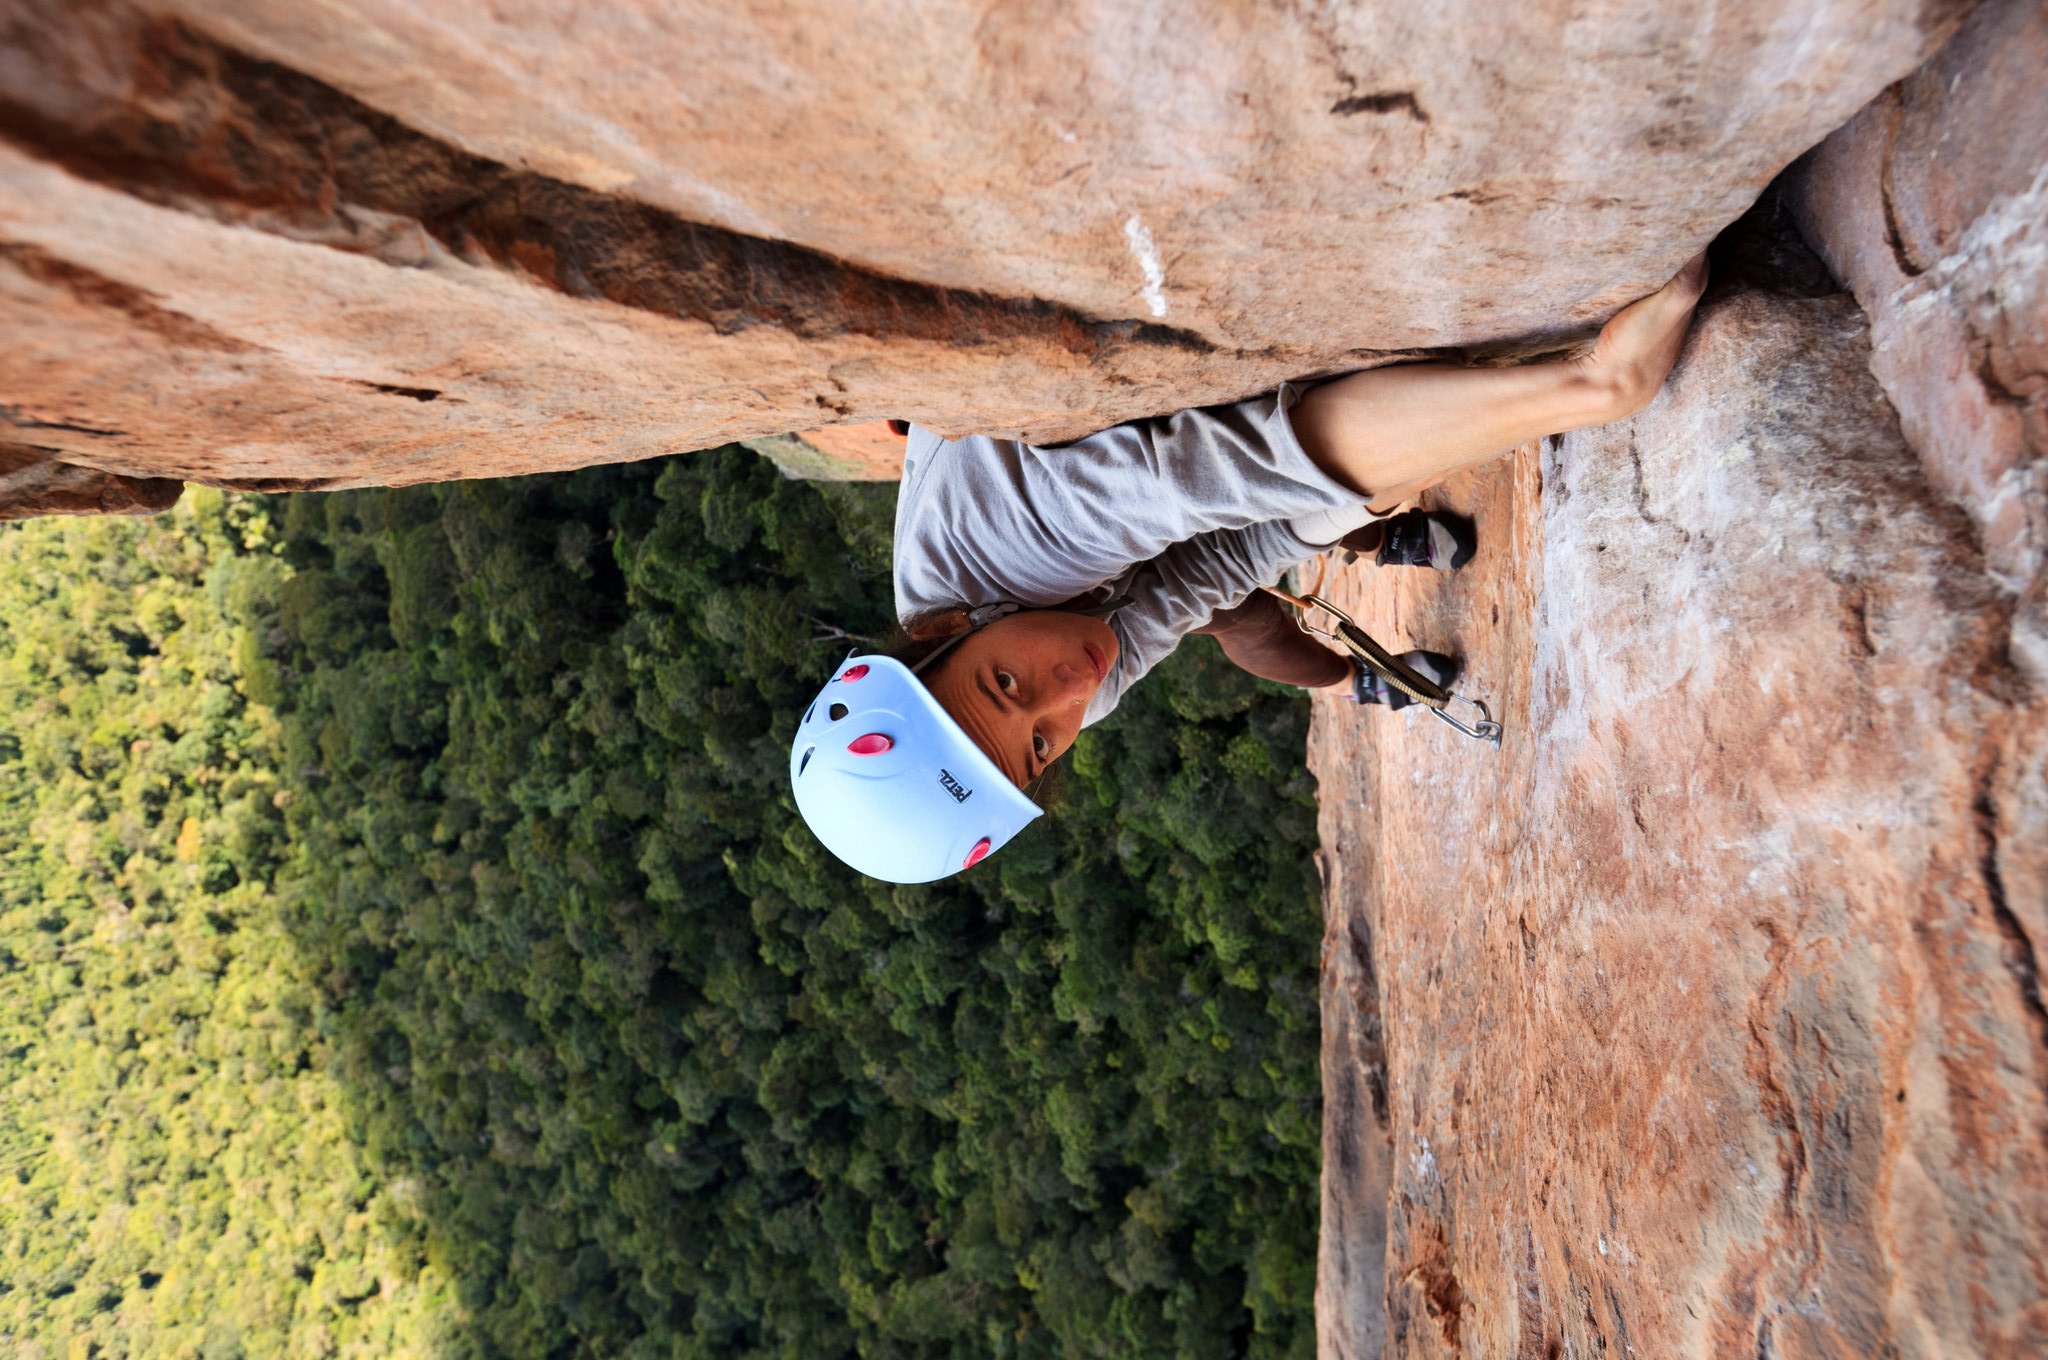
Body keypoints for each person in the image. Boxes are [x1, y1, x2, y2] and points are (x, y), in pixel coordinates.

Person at [790, 256, 1709, 882]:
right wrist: (1364, 499)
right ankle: (1364, 667)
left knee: (1290, 515)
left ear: (941, 632)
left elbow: (1226, 472)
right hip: (1145, 522)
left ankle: (1379, 577)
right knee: (1260, 588)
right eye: (1040, 747)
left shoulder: (1004, 538)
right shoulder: (1080, 692)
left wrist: (1592, 389)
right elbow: (1224, 558)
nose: (1066, 688)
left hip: (1097, 465)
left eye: (1003, 681)